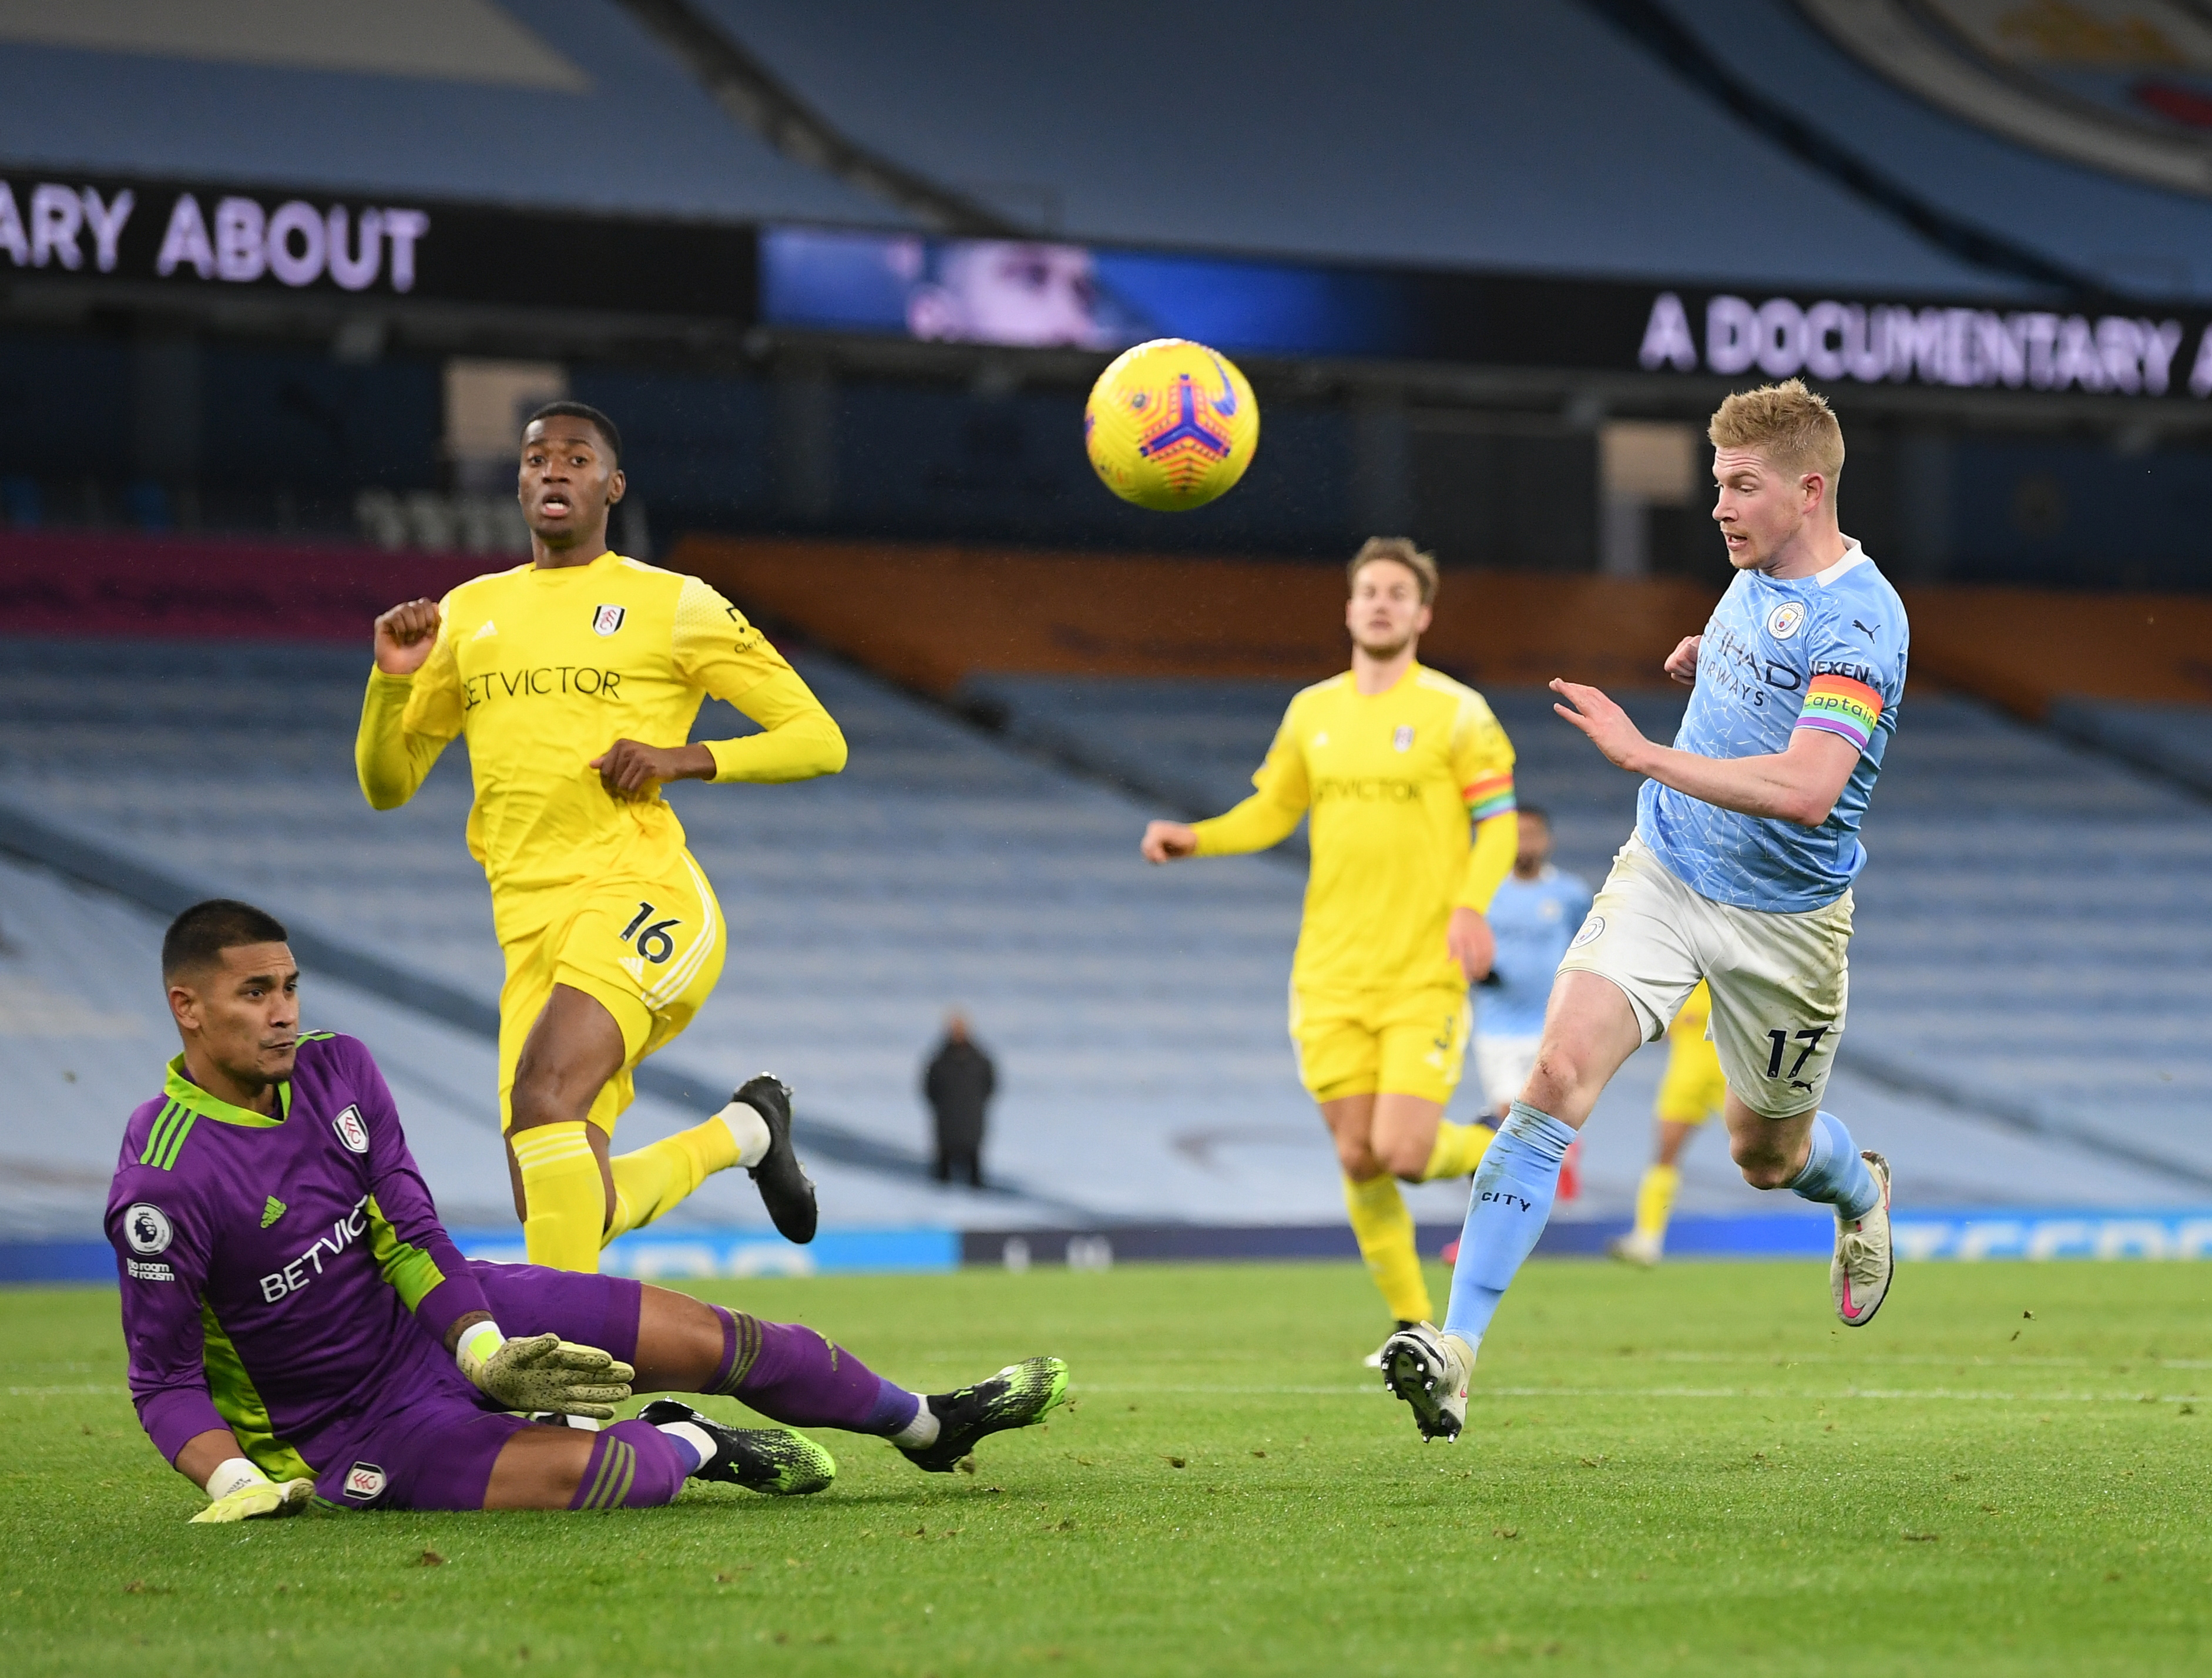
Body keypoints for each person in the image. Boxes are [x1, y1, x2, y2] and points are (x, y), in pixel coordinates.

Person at [112, 898, 1069, 1521]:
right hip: (351, 1429)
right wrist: (234, 1481)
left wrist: (481, 1349)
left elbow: (409, 1231)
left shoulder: (338, 1066)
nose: (283, 1012)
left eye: (288, 987)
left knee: (719, 1337)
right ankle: (693, 1437)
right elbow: (162, 1380)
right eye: (255, 994)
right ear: (188, 1008)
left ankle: (929, 1427)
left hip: (443, 1322)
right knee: (599, 1479)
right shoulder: (164, 1181)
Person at [1382, 379, 1905, 1444]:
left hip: (1784, 924)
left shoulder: (1864, 618)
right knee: (1553, 1080)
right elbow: (1764, 654)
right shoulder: (1753, 575)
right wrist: (1707, 659)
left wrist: (1644, 750)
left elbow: (1809, 788)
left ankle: (1859, 1192)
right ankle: (1458, 1349)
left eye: (1741, 486)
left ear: (1810, 492)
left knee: (1766, 1156)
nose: (1718, 505)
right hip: (1664, 869)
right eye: (1717, 483)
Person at [356, 402, 847, 1274]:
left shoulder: (675, 605)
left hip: (641, 893)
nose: (554, 470)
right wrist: (390, 684)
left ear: (612, 486)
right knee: (560, 1203)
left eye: (577, 459)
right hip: (527, 925)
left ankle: (568, 1394)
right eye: (537, 457)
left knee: (544, 1098)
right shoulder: (468, 615)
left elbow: (818, 739)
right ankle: (744, 1135)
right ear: (518, 482)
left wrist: (679, 757)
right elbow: (386, 787)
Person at [1142, 538, 1518, 1354]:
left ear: (1421, 614)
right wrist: (1196, 839)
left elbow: (1499, 824)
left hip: (1421, 971)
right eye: (1367, 591)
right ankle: (1416, 1325)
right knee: (1357, 1157)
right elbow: (1271, 812)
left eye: (1396, 593)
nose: (1380, 603)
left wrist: (1471, 907)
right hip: (1328, 974)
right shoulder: (1313, 711)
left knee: (1405, 1151)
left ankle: (1496, 1141)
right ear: (1349, 609)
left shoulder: (1458, 713)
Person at [1471, 806, 1592, 1122]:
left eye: (1532, 836)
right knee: (1512, 1116)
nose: (1525, 844)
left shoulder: (1571, 893)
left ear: (1547, 841)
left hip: (1554, 1026)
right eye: (1517, 836)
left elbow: (1589, 946)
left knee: (1550, 1118)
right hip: (1499, 1027)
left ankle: (1561, 1169)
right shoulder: (1483, 891)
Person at [1608, 981, 1727, 1267]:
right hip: (1686, 1071)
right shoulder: (1682, 966)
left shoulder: (1732, 959)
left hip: (1730, 1070)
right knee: (1666, 1153)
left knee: (1772, 1157)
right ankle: (1648, 1240)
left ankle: (1837, 1216)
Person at [922, 1012, 996, 1187]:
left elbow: (990, 1084)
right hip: (947, 1116)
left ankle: (976, 1190)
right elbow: (929, 1086)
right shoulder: (940, 1060)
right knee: (944, 1157)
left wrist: (977, 1103)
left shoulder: (979, 1059)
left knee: (973, 1156)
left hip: (972, 1115)